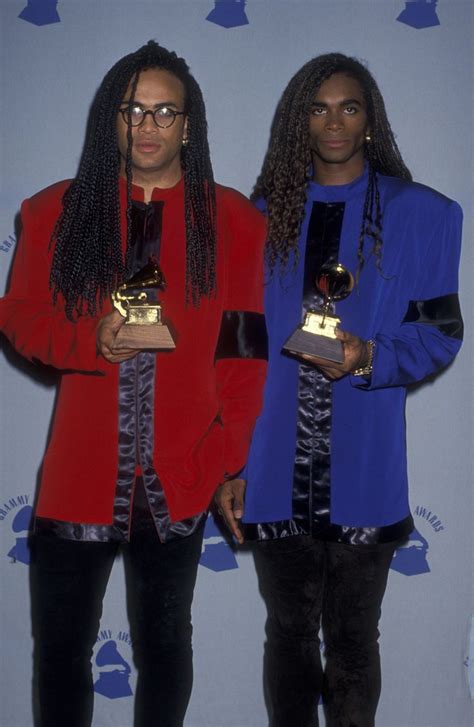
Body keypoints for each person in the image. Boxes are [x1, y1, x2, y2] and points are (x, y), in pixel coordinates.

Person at [0, 41, 267, 727]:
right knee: (59, 651)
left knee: (166, 645)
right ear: (110, 121)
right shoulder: (55, 209)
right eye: (132, 110)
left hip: (180, 477)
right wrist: (89, 339)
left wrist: (232, 461)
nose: (147, 126)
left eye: (164, 111)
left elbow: (243, 350)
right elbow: (22, 319)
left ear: (190, 124)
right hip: (78, 476)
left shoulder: (234, 220)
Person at [216, 53, 463, 727]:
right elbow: (236, 349)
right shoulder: (257, 219)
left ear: (370, 120)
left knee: (354, 642)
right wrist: (229, 463)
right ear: (299, 121)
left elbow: (439, 333)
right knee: (288, 637)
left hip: (365, 470)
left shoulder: (423, 214)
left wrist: (368, 355)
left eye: (349, 107)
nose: (334, 121)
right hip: (270, 468)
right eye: (318, 108)